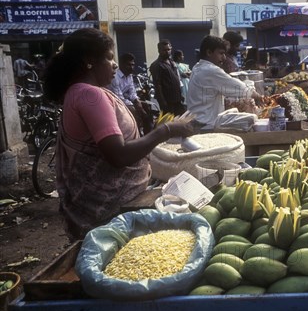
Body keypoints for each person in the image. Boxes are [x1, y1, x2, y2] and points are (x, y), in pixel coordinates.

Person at [43, 28, 197, 239]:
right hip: (110, 207)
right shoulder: (90, 95)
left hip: (104, 202)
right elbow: (119, 154)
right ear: (89, 61)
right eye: (109, 58)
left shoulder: (79, 91)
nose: (115, 64)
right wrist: (168, 129)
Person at [187, 35, 264, 130]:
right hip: (206, 123)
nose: (224, 58)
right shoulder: (210, 70)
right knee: (251, 119)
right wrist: (256, 95)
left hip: (199, 120)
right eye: (221, 53)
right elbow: (234, 85)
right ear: (209, 52)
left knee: (235, 112)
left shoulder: (198, 67)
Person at [107, 53, 153, 135]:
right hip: (113, 102)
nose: (131, 67)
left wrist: (136, 100)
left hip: (124, 100)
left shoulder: (129, 76)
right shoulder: (115, 77)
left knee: (146, 108)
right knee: (134, 111)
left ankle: (148, 133)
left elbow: (132, 91)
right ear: (121, 64)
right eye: (129, 65)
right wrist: (133, 105)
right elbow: (119, 97)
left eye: (133, 65)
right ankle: (136, 134)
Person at [149, 39, 185, 116]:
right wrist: (163, 103)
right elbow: (158, 86)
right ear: (159, 51)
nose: (167, 51)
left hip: (177, 100)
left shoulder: (172, 62)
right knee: (170, 124)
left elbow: (176, 78)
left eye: (168, 49)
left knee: (180, 122)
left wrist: (180, 95)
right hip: (168, 102)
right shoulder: (156, 65)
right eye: (164, 50)